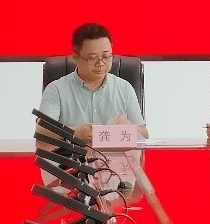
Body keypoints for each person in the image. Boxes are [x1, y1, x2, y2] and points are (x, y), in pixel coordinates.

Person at [36, 22, 148, 150]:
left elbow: (144, 133)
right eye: (92, 58)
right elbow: (41, 129)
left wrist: (128, 128)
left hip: (116, 160)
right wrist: (73, 132)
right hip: (71, 159)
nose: (100, 63)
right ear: (75, 57)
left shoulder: (124, 88)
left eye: (106, 56)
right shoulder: (56, 89)